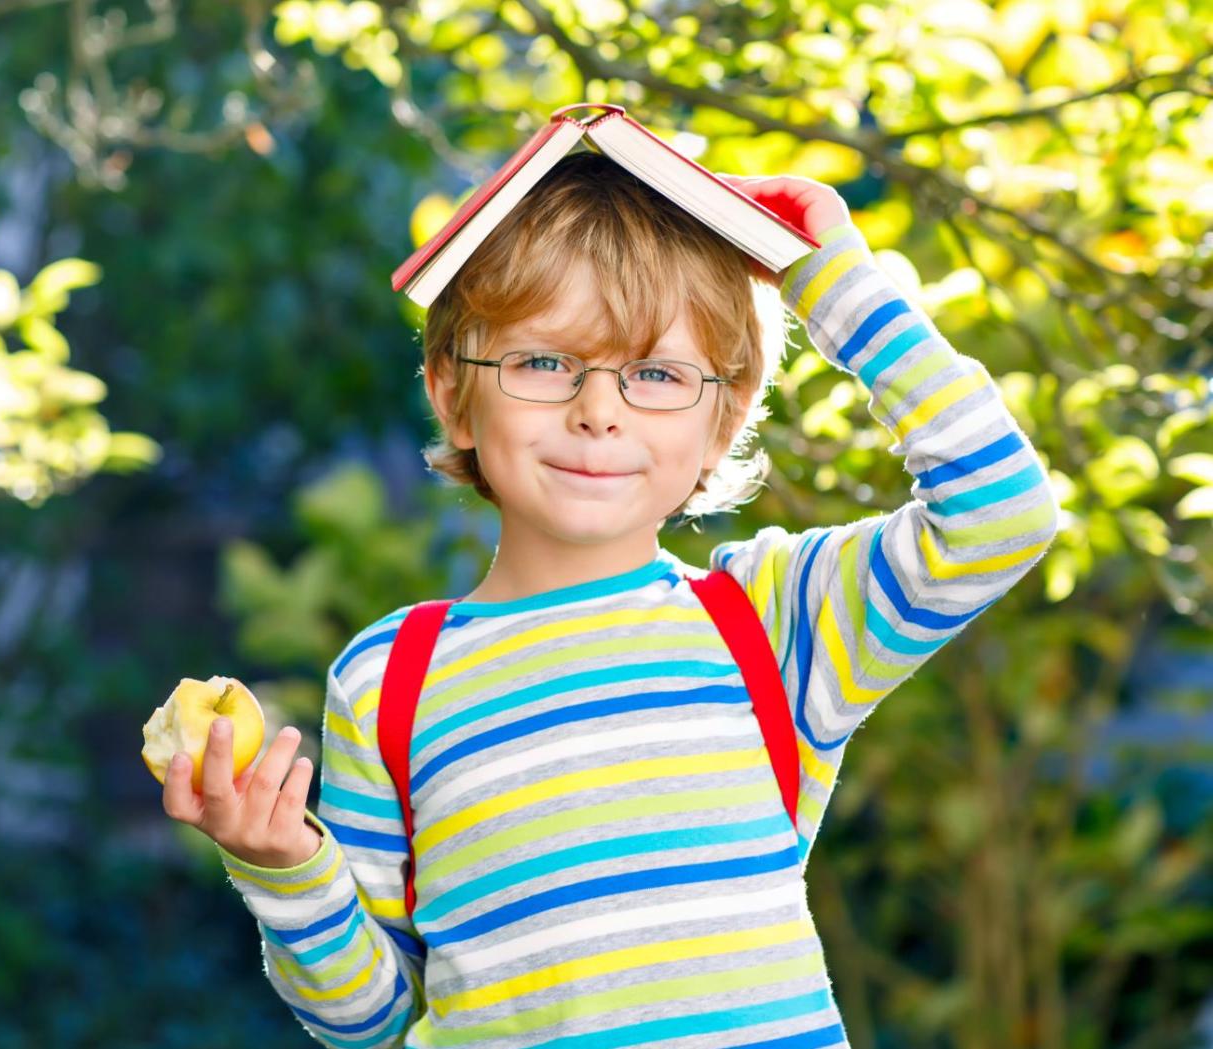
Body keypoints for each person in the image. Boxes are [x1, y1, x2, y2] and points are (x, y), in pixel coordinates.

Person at [162, 150, 1060, 1047]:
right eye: (547, 362)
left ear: (725, 419)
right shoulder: (391, 679)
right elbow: (375, 1020)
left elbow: (1001, 514)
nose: (599, 410)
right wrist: (283, 867)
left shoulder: (771, 623)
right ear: (454, 398)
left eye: (657, 375)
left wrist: (828, 278)